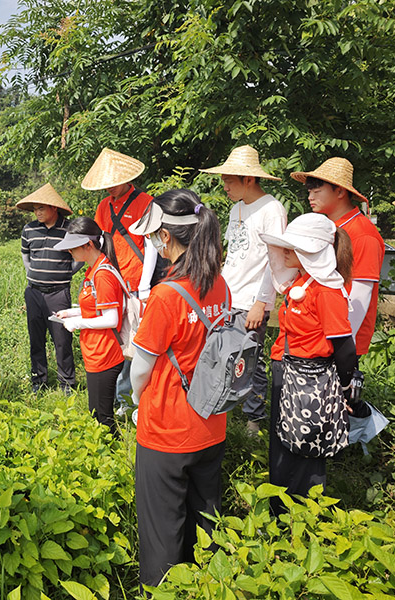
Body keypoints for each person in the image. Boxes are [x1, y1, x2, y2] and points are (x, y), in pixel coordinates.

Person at [127, 189, 227, 588]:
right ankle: (211, 587)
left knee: (162, 529)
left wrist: (137, 402)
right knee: (206, 518)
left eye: (153, 236)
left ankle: (163, 591)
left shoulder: (167, 296)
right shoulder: (219, 285)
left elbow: (141, 369)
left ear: (165, 238)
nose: (152, 242)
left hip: (166, 430)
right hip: (211, 424)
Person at [259, 213, 356, 516]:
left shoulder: (326, 292)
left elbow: (344, 347)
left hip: (310, 381)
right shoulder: (301, 283)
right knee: (283, 447)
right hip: (287, 374)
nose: (284, 251)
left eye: (292, 247)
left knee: (306, 448)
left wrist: (344, 387)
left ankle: (305, 517)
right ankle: (281, 515)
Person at [200, 145, 287, 435]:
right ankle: (225, 407)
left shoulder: (272, 209)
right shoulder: (237, 207)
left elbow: (276, 261)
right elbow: (233, 255)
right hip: (228, 296)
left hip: (250, 299)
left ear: (248, 179)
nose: (224, 186)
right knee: (224, 355)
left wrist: (261, 302)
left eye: (229, 180)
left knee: (250, 360)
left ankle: (254, 418)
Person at [81, 148, 161, 414]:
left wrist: (145, 286)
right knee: (115, 337)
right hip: (112, 281)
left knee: (135, 340)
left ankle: (130, 398)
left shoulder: (145, 202)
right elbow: (102, 242)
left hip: (138, 283)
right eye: (106, 185)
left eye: (113, 183)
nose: (110, 189)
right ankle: (114, 395)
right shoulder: (104, 206)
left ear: (127, 178)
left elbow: (151, 246)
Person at [291, 158, 385, 359]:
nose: (310, 197)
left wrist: (342, 346)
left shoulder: (363, 234)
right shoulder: (326, 228)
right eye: (309, 191)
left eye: (317, 191)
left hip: (339, 340)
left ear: (340, 192)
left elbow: (360, 294)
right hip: (317, 335)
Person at [52, 217, 125, 435]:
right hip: (95, 352)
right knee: (98, 412)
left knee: (102, 417)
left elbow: (111, 319)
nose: (70, 253)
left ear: (88, 245)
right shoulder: (93, 270)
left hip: (105, 353)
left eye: (72, 248)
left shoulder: (102, 275)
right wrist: (71, 312)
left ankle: (112, 459)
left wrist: (77, 323)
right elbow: (96, 308)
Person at [17, 183, 81, 393]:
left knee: (62, 340)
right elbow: (26, 256)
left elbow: (80, 255)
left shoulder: (69, 229)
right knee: (36, 339)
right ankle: (39, 381)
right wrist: (34, 273)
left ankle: (66, 384)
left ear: (54, 208)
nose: (37, 212)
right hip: (34, 292)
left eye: (41, 208)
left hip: (58, 292)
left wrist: (66, 272)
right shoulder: (29, 229)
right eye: (35, 209)